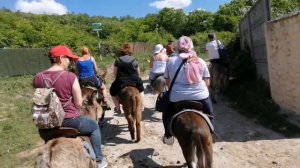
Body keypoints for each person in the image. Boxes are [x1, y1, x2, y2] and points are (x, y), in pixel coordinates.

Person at [33, 45, 108, 168]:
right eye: (69, 59)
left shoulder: (38, 77)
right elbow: (78, 104)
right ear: (61, 58)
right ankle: (99, 159)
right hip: (69, 121)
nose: (71, 62)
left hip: (46, 124)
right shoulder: (70, 76)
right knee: (94, 127)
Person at [162, 36, 214, 145]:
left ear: (177, 47)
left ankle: (168, 135)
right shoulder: (201, 61)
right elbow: (207, 83)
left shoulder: (170, 61)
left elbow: (167, 82)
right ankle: (211, 133)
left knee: (166, 113)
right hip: (200, 96)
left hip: (177, 97)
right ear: (191, 46)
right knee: (210, 112)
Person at [109, 43, 145, 113]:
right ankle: (141, 106)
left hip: (121, 80)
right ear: (130, 51)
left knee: (112, 93)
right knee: (141, 91)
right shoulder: (134, 59)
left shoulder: (118, 60)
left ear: (122, 51)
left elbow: (114, 73)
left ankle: (118, 108)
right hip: (134, 79)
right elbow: (138, 73)